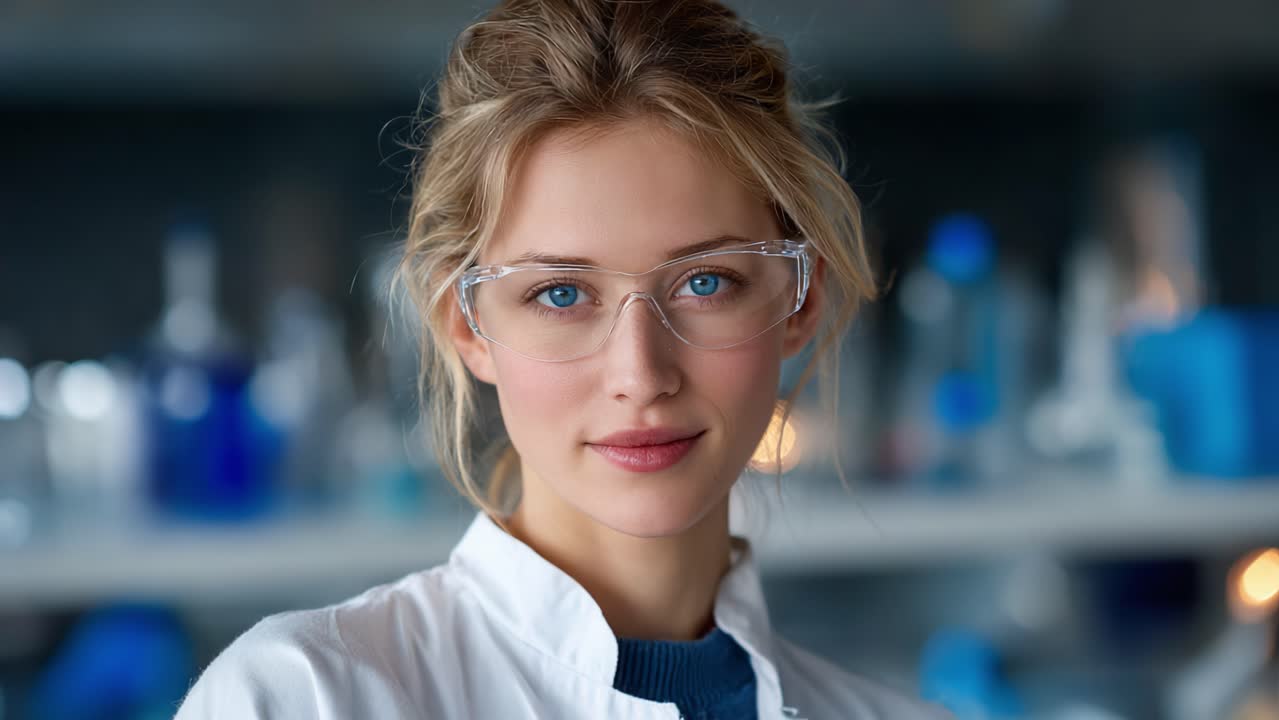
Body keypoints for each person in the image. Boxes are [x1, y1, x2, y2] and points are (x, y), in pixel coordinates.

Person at [174, 0, 955, 717]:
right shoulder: (303, 697)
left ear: (800, 299)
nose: (641, 376)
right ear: (467, 326)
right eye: (560, 294)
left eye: (705, 282)